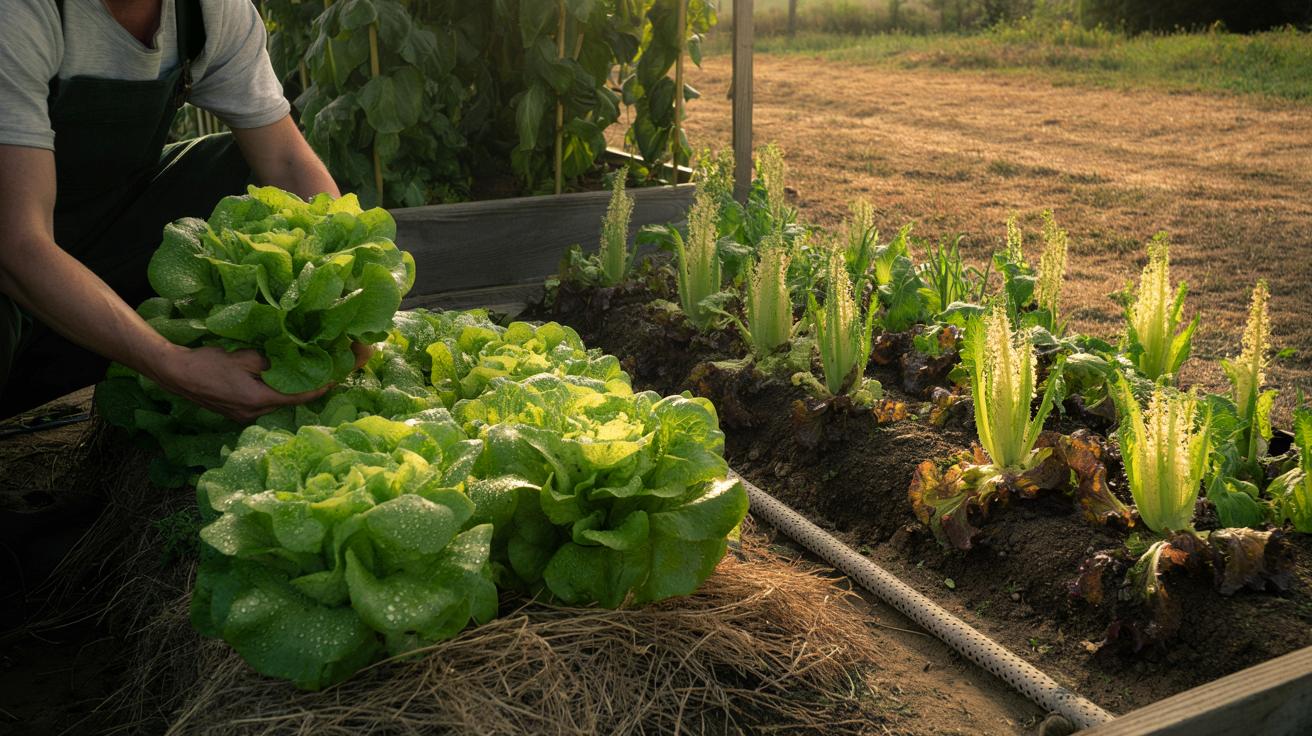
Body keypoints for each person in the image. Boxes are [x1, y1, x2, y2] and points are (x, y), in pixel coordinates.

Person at [0, 0, 347, 423]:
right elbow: (16, 243)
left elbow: (286, 163)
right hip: (15, 242)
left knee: (246, 178)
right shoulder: (20, 14)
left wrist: (344, 288)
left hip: (99, 222)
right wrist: (170, 363)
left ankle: (248, 369)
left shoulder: (209, 11)